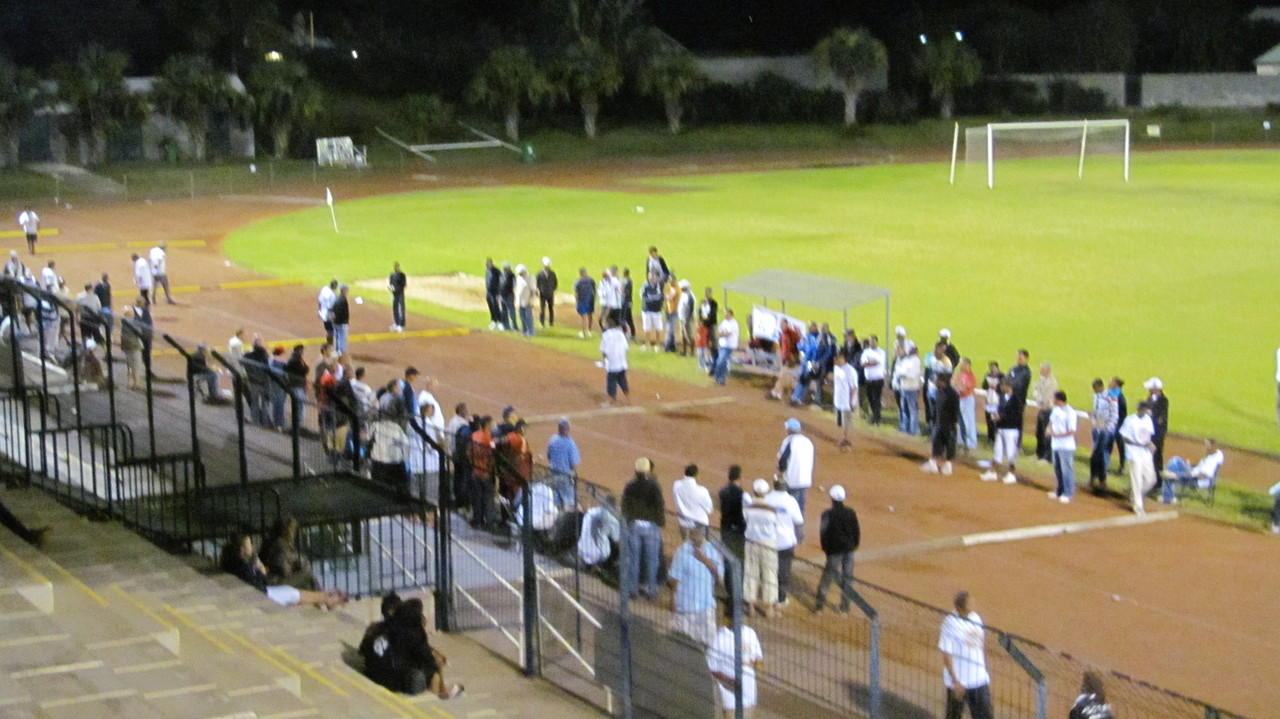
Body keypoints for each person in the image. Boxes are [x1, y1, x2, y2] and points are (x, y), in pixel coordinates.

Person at [369, 598, 463, 698]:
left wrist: (433, 651)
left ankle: (440, 689)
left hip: (375, 671)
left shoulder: (386, 627)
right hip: (392, 678)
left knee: (425, 665)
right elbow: (425, 657)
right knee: (432, 671)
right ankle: (440, 692)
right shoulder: (412, 632)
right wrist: (439, 666)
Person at [219, 534, 345, 609]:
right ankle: (328, 598)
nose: (252, 546)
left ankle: (326, 598)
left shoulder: (234, 562)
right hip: (263, 593)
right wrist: (261, 571)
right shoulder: (244, 566)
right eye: (249, 545)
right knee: (292, 591)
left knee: (294, 590)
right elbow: (260, 581)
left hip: (260, 590)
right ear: (242, 549)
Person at [939, 590, 993, 719]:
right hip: (959, 683)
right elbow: (946, 656)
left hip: (979, 680)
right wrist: (955, 682)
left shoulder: (976, 618)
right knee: (953, 716)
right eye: (970, 603)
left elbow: (978, 646)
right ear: (960, 608)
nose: (974, 604)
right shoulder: (950, 624)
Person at [668, 530, 723, 648]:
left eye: (700, 530)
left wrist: (705, 560)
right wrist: (673, 599)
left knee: (709, 646)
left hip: (706, 607)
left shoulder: (712, 550)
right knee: (681, 646)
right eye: (695, 529)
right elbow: (675, 579)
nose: (698, 533)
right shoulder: (682, 551)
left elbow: (719, 578)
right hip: (685, 607)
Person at [621, 457, 665, 600]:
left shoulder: (630, 485)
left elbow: (625, 506)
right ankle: (651, 591)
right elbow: (659, 506)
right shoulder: (654, 486)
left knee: (634, 560)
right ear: (648, 471)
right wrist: (660, 523)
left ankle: (632, 590)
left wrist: (629, 522)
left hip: (634, 526)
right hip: (651, 527)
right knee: (652, 560)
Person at [814, 485, 859, 613]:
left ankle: (819, 606)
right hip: (849, 550)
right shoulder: (851, 513)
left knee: (827, 576)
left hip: (834, 551)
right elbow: (856, 532)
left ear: (831, 498)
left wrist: (826, 550)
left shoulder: (827, 514)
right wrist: (853, 545)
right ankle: (845, 606)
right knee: (847, 578)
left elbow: (823, 534)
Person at [707, 621, 764, 719]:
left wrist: (751, 662)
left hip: (749, 695)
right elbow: (711, 667)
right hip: (730, 699)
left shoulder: (750, 633)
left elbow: (759, 660)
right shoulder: (720, 637)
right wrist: (729, 680)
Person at [761, 475, 804, 607]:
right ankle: (781, 598)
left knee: (769, 569)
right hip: (786, 542)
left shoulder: (766, 499)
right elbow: (798, 521)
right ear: (785, 485)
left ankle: (769, 596)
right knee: (784, 570)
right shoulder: (791, 501)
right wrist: (799, 536)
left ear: (774, 484)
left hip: (768, 540)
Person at [742, 478, 782, 617]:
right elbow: (776, 525)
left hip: (751, 541)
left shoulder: (747, 508)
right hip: (768, 542)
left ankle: (751, 606)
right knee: (769, 573)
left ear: (754, 491)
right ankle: (770, 607)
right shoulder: (772, 510)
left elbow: (745, 521)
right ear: (766, 493)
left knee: (750, 572)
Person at [1118, 401, 1157, 515]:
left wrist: (1150, 444)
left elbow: (1147, 437)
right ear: (1138, 408)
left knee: (1151, 480)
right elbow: (1124, 439)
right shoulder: (1130, 420)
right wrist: (1140, 444)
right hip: (1134, 454)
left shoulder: (1148, 420)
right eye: (1142, 408)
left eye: (1145, 409)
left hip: (1146, 454)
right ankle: (1138, 506)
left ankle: (1135, 495)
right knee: (1137, 480)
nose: (1143, 411)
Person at [259, 518, 318, 590]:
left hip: (281, 578)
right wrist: (295, 566)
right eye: (292, 530)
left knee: (307, 582)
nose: (294, 534)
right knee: (309, 577)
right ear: (285, 530)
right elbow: (283, 569)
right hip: (277, 581)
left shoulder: (284, 544)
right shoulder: (276, 545)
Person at [1161, 438, 1225, 504]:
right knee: (1175, 462)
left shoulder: (1211, 462)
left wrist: (1182, 475)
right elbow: (1201, 467)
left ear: (1211, 448)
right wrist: (1190, 466)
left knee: (1171, 470)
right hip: (1193, 471)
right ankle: (1169, 495)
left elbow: (1203, 475)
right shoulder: (1217, 454)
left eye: (1206, 446)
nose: (1204, 447)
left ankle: (1168, 497)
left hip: (1195, 480)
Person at [980, 381, 1020, 485]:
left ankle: (1012, 475)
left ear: (1009, 387)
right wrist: (989, 409)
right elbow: (998, 410)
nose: (1001, 387)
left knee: (1010, 454)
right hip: (1001, 429)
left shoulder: (1016, 400)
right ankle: (992, 472)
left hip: (1011, 430)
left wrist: (1001, 416)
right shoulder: (1003, 397)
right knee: (997, 452)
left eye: (1003, 385)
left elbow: (1016, 416)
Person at [922, 373, 959, 475]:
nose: (935, 382)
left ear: (943, 382)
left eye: (937, 380)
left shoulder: (951, 394)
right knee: (939, 443)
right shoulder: (940, 391)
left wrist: (955, 422)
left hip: (947, 423)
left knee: (947, 443)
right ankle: (935, 464)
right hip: (940, 421)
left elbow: (955, 410)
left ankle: (945, 466)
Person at [776, 418, 815, 515]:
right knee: (800, 509)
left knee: (790, 509)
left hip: (792, 479)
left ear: (789, 430)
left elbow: (783, 460)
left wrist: (781, 472)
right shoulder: (808, 441)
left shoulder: (789, 441)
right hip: (805, 479)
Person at [1047, 391, 1078, 503]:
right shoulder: (1055, 409)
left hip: (1066, 446)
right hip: (1055, 444)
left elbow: (1072, 431)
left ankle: (1068, 493)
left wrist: (1056, 435)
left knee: (1066, 470)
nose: (1053, 400)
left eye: (1054, 398)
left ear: (1059, 399)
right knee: (1058, 469)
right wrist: (1048, 429)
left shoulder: (1070, 412)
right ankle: (1059, 491)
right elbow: (1051, 421)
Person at [1088, 379, 1119, 493]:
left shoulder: (1111, 397)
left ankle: (1102, 480)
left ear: (1100, 387)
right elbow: (1097, 411)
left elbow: (1114, 415)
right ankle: (1093, 477)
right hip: (1097, 429)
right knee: (1095, 455)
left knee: (1101, 455)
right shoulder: (1096, 396)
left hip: (1106, 430)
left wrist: (1107, 428)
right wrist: (1093, 417)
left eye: (1095, 389)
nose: (1094, 391)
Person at [546, 417, 581, 510]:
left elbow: (549, 457)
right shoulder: (570, 443)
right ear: (568, 429)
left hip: (554, 474)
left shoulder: (552, 439)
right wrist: (573, 476)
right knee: (569, 503)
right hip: (566, 476)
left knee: (556, 500)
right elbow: (573, 464)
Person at [673, 464, 713, 537]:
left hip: (683, 524)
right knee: (700, 544)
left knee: (686, 543)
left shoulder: (676, 485)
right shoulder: (702, 491)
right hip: (699, 525)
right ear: (696, 475)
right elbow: (709, 510)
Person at [718, 465, 746, 562]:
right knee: (739, 557)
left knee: (727, 556)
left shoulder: (722, 492)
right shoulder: (741, 494)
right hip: (738, 529)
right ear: (739, 477)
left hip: (725, 527)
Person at [1144, 377, 1169, 490]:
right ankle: (1149, 479)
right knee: (1148, 457)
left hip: (1157, 435)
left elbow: (1160, 419)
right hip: (1149, 433)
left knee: (1156, 457)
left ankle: (1157, 482)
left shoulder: (1163, 401)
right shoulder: (1150, 398)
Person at [893, 345, 923, 435]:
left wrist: (902, 374)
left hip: (912, 388)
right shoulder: (906, 360)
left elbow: (911, 374)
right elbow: (899, 371)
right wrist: (901, 374)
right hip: (904, 387)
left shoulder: (915, 360)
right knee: (904, 409)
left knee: (912, 410)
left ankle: (914, 429)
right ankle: (905, 427)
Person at [831, 352, 859, 450]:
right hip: (838, 399)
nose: (836, 360)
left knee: (847, 421)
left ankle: (847, 439)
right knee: (839, 421)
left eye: (839, 359)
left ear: (844, 360)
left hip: (847, 401)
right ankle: (841, 438)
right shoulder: (836, 368)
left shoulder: (850, 371)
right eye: (836, 358)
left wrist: (853, 402)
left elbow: (854, 388)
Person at [600, 318, 630, 406]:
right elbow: (626, 348)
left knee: (611, 382)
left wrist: (605, 360)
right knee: (622, 381)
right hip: (622, 363)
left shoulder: (606, 335)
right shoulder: (621, 334)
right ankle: (628, 399)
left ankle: (611, 401)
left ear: (608, 325)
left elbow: (604, 350)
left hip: (612, 363)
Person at [1033, 363, 1059, 462]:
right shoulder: (1041, 380)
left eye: (1042, 369)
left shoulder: (1052, 382)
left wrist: (1040, 399)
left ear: (1047, 370)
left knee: (1046, 433)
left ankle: (1047, 457)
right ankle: (1039, 454)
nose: (1040, 371)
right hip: (1041, 409)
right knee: (1039, 433)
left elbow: (1047, 397)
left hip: (1048, 410)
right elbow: (1036, 391)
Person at [859, 334, 886, 425]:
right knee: (870, 398)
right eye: (870, 341)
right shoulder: (866, 351)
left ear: (876, 342)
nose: (872, 343)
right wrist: (870, 363)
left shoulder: (881, 352)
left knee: (876, 399)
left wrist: (868, 363)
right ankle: (874, 416)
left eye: (873, 341)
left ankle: (877, 417)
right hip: (869, 379)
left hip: (878, 378)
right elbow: (862, 363)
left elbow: (877, 362)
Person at [954, 358, 978, 452]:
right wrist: (957, 385)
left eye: (962, 364)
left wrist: (958, 385)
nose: (960, 365)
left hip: (968, 399)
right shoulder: (959, 374)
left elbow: (965, 388)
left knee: (969, 420)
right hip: (960, 399)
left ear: (967, 365)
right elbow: (954, 384)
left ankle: (971, 442)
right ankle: (961, 440)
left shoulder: (971, 375)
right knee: (960, 421)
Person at [640, 271, 664, 351]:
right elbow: (643, 296)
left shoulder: (659, 286)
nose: (651, 277)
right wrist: (653, 298)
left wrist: (652, 297)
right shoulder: (645, 286)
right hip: (647, 309)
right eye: (650, 276)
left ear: (656, 277)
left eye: (653, 276)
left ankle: (657, 344)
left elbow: (660, 296)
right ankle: (647, 344)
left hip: (656, 310)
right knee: (647, 328)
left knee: (658, 328)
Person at [714, 308, 739, 386]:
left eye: (727, 314)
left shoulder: (733, 323)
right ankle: (720, 379)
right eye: (725, 314)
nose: (725, 315)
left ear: (731, 314)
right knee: (722, 361)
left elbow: (728, 333)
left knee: (721, 361)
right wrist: (720, 333)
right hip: (722, 344)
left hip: (729, 345)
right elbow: (719, 330)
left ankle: (720, 378)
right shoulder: (724, 322)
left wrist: (720, 334)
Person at [981, 362, 1003, 445]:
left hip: (997, 400)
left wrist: (996, 387)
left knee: (996, 420)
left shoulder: (1002, 376)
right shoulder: (988, 375)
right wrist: (988, 385)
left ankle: (997, 438)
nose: (992, 370)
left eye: (994, 368)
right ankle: (990, 437)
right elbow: (983, 386)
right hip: (989, 400)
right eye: (991, 368)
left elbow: (1004, 388)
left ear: (997, 368)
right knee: (989, 420)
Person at [536, 256, 557, 327]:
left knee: (551, 308)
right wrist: (538, 291)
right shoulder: (539, 274)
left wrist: (553, 289)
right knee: (542, 309)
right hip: (542, 294)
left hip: (550, 294)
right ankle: (542, 322)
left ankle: (551, 322)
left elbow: (555, 282)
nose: (547, 268)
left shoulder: (552, 274)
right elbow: (536, 283)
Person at [574, 267, 595, 338]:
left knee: (584, 316)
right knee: (588, 315)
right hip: (589, 300)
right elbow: (594, 290)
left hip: (583, 301)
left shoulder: (578, 282)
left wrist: (577, 302)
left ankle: (584, 332)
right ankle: (589, 331)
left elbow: (576, 293)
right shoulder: (591, 280)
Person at [515, 264, 535, 337]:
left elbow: (533, 291)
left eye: (521, 273)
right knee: (522, 317)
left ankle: (530, 332)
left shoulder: (530, 278)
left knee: (528, 317)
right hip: (520, 302)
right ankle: (524, 330)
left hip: (527, 302)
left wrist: (531, 300)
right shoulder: (518, 278)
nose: (520, 274)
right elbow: (517, 290)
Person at [484, 258, 503, 330]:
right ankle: (494, 321)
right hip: (489, 292)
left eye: (487, 264)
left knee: (496, 307)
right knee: (491, 307)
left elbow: (501, 282)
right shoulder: (487, 271)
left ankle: (500, 322)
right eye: (486, 264)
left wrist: (499, 293)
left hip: (495, 292)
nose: (486, 265)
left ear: (491, 263)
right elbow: (487, 281)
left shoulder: (496, 271)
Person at [388, 261, 407, 332]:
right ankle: (396, 323)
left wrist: (397, 289)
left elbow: (403, 284)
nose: (396, 268)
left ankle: (401, 325)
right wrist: (391, 288)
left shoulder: (402, 275)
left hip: (400, 294)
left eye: (397, 267)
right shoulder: (392, 275)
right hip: (394, 294)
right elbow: (391, 284)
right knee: (395, 308)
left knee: (400, 309)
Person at [499, 261, 517, 332]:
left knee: (511, 311)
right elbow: (500, 285)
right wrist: (499, 294)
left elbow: (514, 285)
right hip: (502, 295)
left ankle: (514, 326)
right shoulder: (502, 274)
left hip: (509, 295)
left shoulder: (512, 275)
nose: (504, 269)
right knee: (504, 312)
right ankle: (506, 326)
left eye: (505, 268)